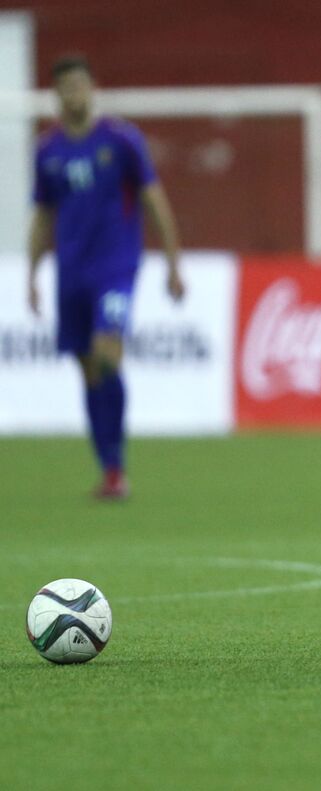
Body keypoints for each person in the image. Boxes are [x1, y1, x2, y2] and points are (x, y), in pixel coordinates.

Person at [27, 55, 184, 500]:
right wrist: (32, 273)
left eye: (80, 84)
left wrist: (174, 262)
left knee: (105, 356)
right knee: (86, 369)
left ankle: (117, 466)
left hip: (115, 267)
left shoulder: (121, 141)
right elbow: (42, 215)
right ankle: (108, 467)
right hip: (70, 271)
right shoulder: (48, 151)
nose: (74, 94)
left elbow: (154, 199)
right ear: (56, 94)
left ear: (93, 88)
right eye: (65, 87)